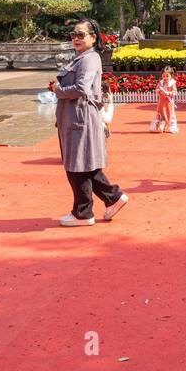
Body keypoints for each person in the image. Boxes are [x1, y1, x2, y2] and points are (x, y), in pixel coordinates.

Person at [49, 19, 129, 227]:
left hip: (80, 117)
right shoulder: (82, 58)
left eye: (80, 35)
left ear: (93, 38)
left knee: (78, 166)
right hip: (75, 116)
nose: (75, 38)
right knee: (83, 165)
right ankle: (110, 198)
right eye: (73, 34)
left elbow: (81, 88)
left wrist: (58, 91)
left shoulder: (89, 59)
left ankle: (84, 212)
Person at [152, 65, 179, 133]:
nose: (165, 77)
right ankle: (161, 126)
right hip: (161, 103)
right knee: (161, 114)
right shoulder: (161, 82)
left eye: (167, 76)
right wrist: (158, 91)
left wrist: (169, 93)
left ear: (171, 76)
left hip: (169, 103)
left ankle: (173, 127)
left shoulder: (172, 83)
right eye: (163, 76)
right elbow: (157, 89)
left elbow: (175, 92)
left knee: (171, 114)